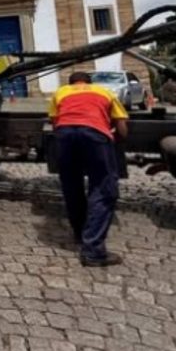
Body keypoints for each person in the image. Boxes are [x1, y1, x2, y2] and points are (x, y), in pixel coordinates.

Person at [49, 70, 129, 267]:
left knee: (72, 186)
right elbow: (122, 128)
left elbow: (55, 122)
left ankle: (79, 233)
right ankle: (93, 251)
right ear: (89, 81)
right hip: (94, 135)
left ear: (71, 83)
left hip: (64, 137)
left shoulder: (60, 92)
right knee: (103, 188)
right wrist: (112, 141)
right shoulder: (103, 92)